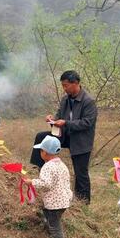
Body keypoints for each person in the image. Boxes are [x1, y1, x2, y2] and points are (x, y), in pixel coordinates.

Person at [30, 70, 97, 204]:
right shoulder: (65, 99)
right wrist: (52, 119)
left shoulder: (88, 101)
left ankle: (83, 203)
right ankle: (37, 169)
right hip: (64, 135)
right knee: (41, 137)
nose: (64, 88)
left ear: (76, 83)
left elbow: (87, 123)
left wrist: (66, 122)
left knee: (81, 173)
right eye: (63, 85)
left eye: (66, 85)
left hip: (81, 140)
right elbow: (59, 115)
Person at [24, 136, 72, 238]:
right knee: (49, 216)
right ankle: (48, 225)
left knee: (55, 226)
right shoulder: (62, 165)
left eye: (40, 150)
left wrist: (31, 182)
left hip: (54, 203)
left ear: (45, 152)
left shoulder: (47, 167)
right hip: (64, 200)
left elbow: (46, 184)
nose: (40, 153)